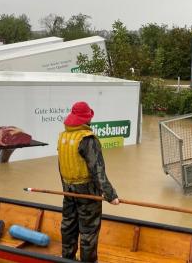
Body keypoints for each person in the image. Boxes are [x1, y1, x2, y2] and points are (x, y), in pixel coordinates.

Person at [57, 101, 119, 262]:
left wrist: (65, 189)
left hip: (68, 189)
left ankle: (67, 258)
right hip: (87, 192)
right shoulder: (88, 139)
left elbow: (61, 167)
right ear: (86, 119)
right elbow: (97, 171)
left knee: (68, 225)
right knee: (89, 229)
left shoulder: (63, 137)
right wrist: (111, 195)